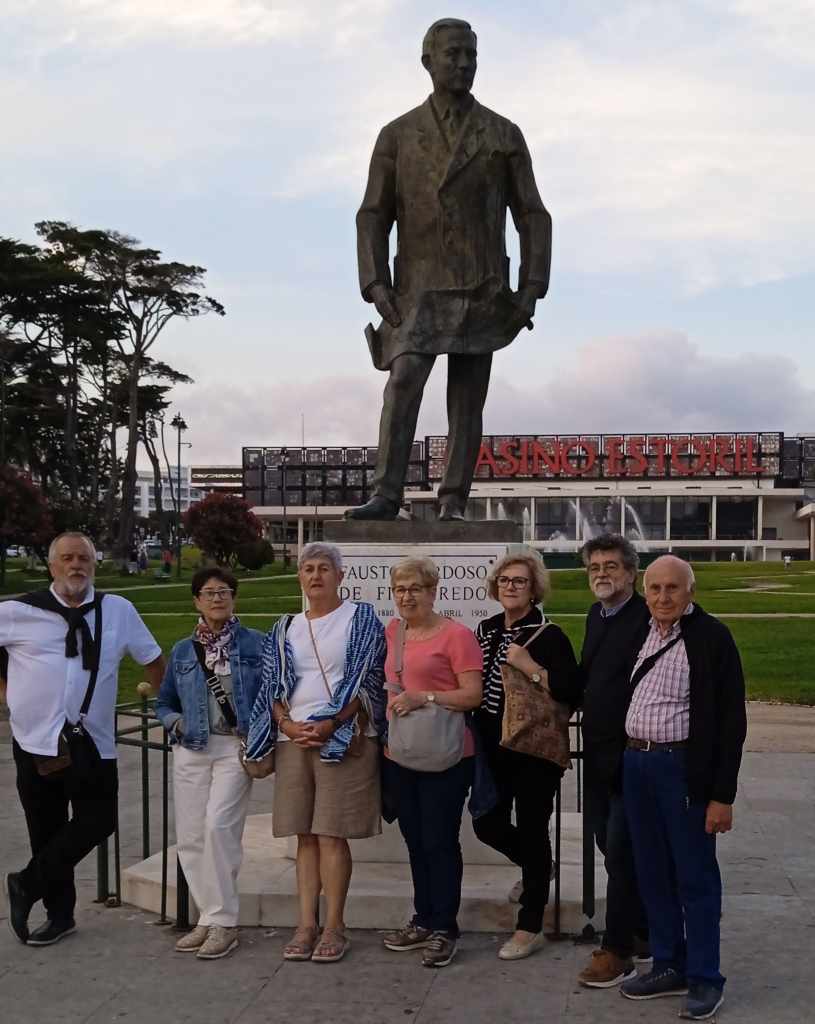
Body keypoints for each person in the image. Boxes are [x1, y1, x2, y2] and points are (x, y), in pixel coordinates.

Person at [346, 17, 551, 521]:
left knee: (467, 400)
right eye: (453, 54)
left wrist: (531, 287)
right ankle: (386, 494)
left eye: (470, 55)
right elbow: (373, 214)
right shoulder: (397, 135)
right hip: (416, 289)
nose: (463, 64)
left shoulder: (503, 133)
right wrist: (375, 282)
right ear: (428, 61)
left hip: (484, 289)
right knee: (403, 381)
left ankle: (454, 498)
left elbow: (532, 214)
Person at [1, 531, 165, 946]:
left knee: (100, 820)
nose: (76, 565)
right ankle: (60, 917)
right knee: (46, 829)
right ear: (52, 565)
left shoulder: (118, 610)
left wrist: (167, 705)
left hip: (93, 741)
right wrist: (7, 694)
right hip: (35, 741)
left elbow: (152, 659)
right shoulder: (18, 611)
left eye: (84, 559)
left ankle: (26, 883)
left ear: (94, 564)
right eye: (67, 558)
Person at [620, 555, 747, 1021]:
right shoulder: (641, 632)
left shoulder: (712, 638)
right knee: (652, 872)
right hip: (637, 764)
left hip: (681, 770)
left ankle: (705, 977)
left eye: (673, 588)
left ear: (690, 591)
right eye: (654, 588)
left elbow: (732, 722)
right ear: (644, 592)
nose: (663, 597)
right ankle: (668, 963)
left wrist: (722, 795)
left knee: (695, 877)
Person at [245, 542, 386, 964]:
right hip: (294, 739)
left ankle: (334, 926)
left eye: (324, 568)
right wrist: (286, 724)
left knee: (331, 834)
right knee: (304, 834)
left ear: (340, 576)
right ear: (300, 577)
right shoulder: (284, 626)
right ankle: (305, 924)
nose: (316, 575)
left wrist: (332, 722)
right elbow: (272, 684)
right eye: (308, 569)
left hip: (341, 737)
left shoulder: (359, 618)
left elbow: (367, 678)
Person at [471, 548, 581, 960]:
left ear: (534, 589)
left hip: (533, 750)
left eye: (519, 581)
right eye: (504, 580)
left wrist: (529, 665)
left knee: (534, 829)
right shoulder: (486, 629)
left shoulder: (549, 635)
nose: (511, 587)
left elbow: (570, 691)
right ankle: (539, 868)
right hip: (491, 746)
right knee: (487, 823)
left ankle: (530, 924)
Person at [155, 568, 264, 960]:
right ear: (196, 601)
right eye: (209, 592)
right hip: (192, 748)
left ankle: (224, 923)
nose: (217, 598)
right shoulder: (184, 651)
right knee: (191, 836)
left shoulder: (256, 644)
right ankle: (209, 916)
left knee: (219, 827)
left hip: (233, 749)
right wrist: (175, 722)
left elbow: (273, 693)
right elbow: (163, 702)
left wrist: (261, 733)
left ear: (234, 597)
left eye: (224, 591)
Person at [381, 556, 483, 968]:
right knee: (415, 839)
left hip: (447, 754)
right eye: (400, 589)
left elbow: (472, 695)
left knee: (440, 840)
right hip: (402, 754)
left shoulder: (457, 636)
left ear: (432, 591)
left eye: (415, 589)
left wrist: (424, 697)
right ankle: (423, 917)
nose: (407, 597)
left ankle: (445, 926)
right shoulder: (394, 632)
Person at [575, 535, 651, 988]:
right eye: (594, 567)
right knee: (611, 847)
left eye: (611, 566)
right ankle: (644, 929)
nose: (601, 573)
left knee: (621, 854)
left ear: (631, 573)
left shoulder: (646, 618)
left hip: (632, 756)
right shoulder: (596, 614)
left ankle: (618, 949)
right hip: (598, 756)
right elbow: (589, 679)